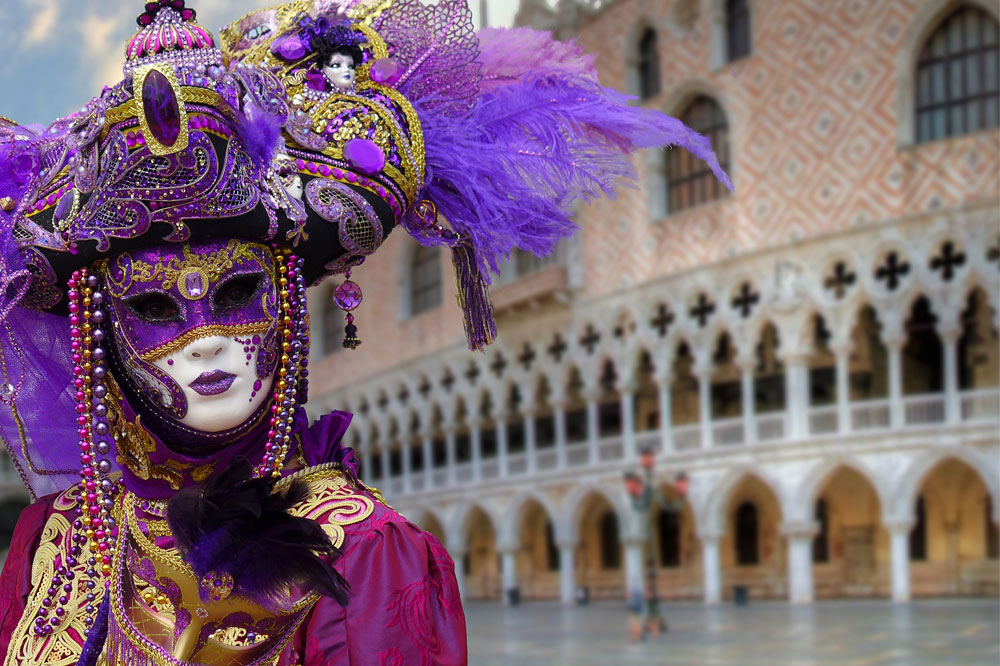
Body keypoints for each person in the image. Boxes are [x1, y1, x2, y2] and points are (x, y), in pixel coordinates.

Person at [0, 0, 730, 663]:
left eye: (239, 291)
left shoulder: (368, 555)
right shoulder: (53, 542)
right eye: (154, 308)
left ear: (287, 300)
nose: (208, 338)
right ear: (101, 330)